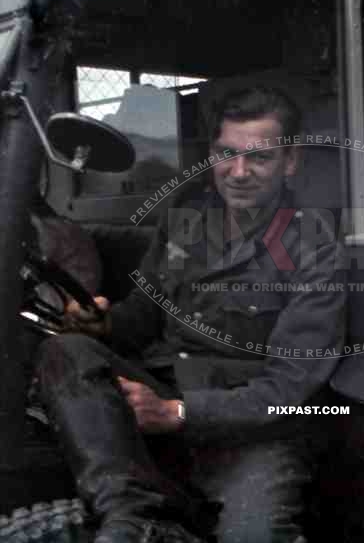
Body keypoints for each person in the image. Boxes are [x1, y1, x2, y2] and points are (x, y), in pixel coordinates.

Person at [37, 86, 346, 543]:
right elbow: (143, 316)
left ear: (290, 161)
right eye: (226, 154)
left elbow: (288, 391)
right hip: (164, 396)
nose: (238, 173)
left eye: (259, 158)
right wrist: (103, 323)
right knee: (68, 351)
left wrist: (177, 412)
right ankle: (133, 515)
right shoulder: (185, 219)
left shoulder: (317, 250)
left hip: (256, 435)